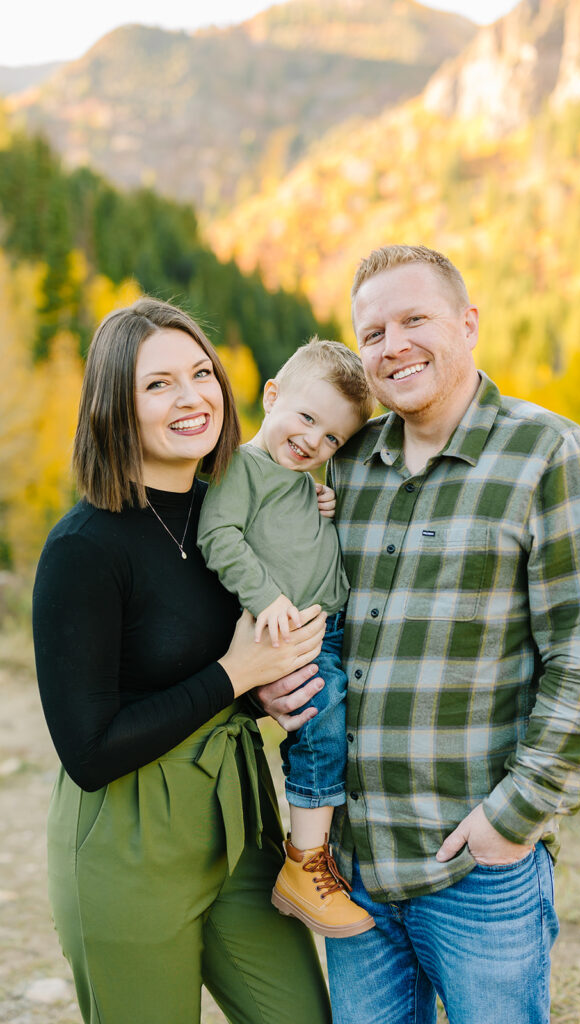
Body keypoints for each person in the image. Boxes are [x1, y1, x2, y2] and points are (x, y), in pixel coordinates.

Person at [257, 245, 580, 1024]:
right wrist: (264, 676)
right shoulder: (344, 463)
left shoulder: (552, 456)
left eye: (413, 319)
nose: (393, 346)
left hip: (474, 867)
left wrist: (510, 821)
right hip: (351, 867)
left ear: (467, 323)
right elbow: (304, 601)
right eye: (373, 332)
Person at [32, 297, 333, 1024]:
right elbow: (88, 750)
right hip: (125, 843)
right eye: (158, 384)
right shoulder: (84, 550)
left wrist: (256, 697)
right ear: (114, 408)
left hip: (239, 821)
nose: (193, 396)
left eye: (201, 372)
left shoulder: (235, 512)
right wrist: (235, 675)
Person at [197, 338, 375, 938]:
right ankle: (304, 865)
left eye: (332, 439)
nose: (313, 442)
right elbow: (219, 537)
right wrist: (265, 599)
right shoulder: (237, 468)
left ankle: (318, 854)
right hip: (292, 634)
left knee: (337, 732)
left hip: (333, 627)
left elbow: (292, 525)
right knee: (320, 731)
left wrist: (318, 496)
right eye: (306, 418)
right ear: (272, 396)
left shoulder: (299, 479)